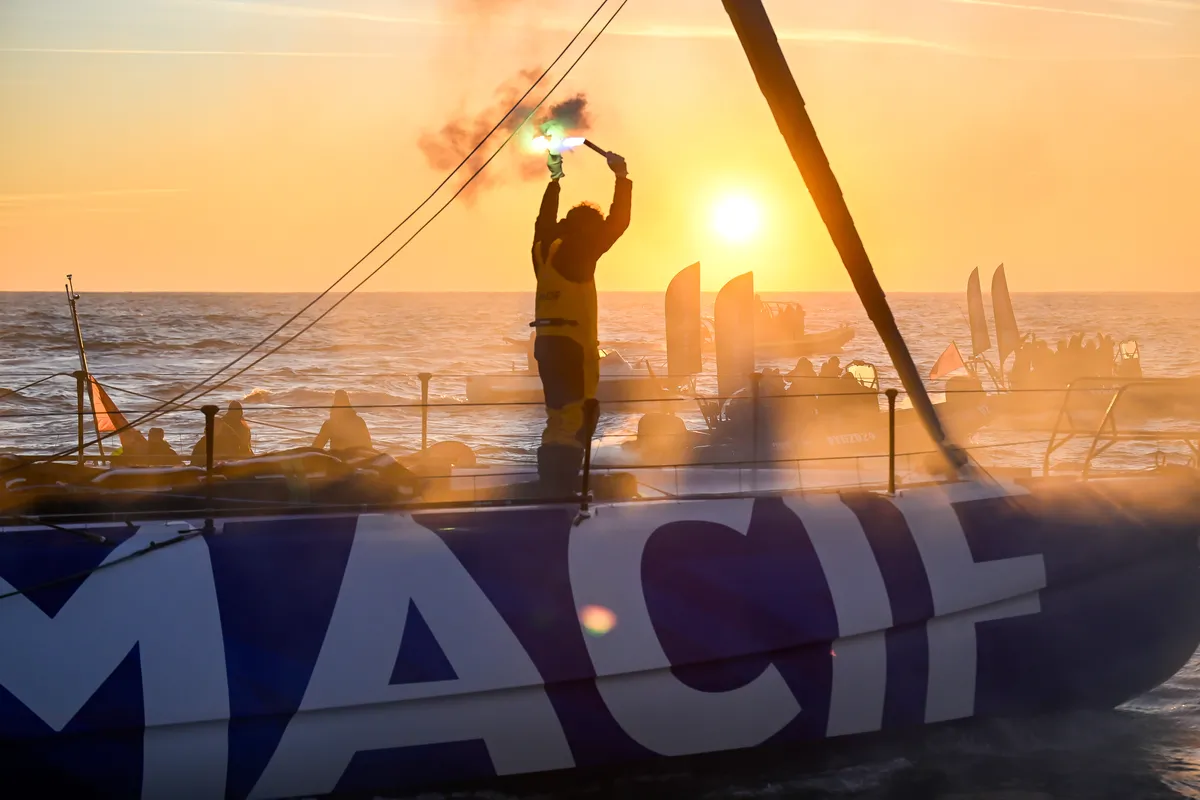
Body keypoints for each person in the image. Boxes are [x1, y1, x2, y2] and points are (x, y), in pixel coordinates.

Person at [531, 143, 632, 493]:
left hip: (544, 344)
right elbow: (619, 223)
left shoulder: (543, 247)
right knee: (577, 417)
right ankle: (562, 489)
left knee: (557, 416)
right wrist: (621, 177)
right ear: (588, 229)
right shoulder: (580, 249)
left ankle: (549, 484)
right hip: (574, 346)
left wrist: (555, 179)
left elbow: (543, 219)